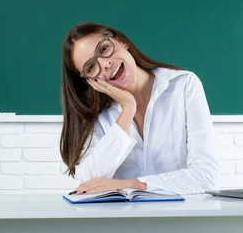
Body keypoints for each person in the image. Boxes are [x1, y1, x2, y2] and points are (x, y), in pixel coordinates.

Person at [60, 22, 218, 195]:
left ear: (122, 41)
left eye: (104, 49)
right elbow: (89, 182)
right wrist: (128, 109)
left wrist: (132, 184)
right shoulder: (97, 113)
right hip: (125, 220)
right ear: (90, 81)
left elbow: (205, 178)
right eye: (91, 67)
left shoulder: (183, 85)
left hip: (181, 218)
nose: (105, 64)